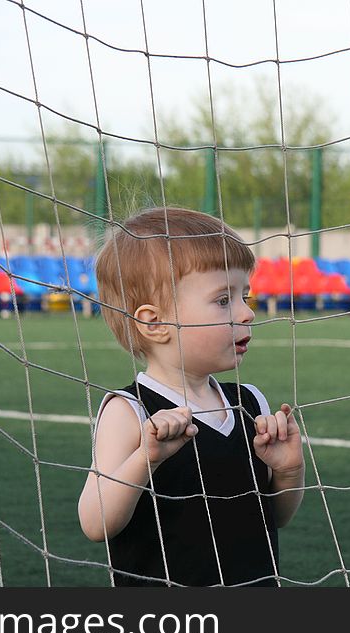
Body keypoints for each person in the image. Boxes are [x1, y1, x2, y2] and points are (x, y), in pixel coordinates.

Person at [78, 207, 305, 587]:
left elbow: (275, 517)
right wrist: (146, 459)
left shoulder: (250, 403)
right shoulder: (129, 411)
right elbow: (95, 523)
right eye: (223, 300)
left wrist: (287, 472)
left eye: (244, 296)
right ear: (154, 323)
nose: (246, 313)